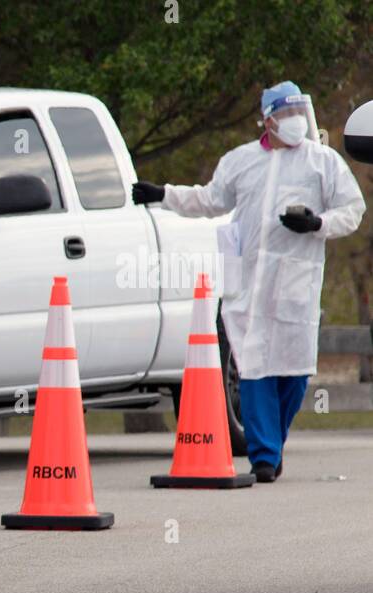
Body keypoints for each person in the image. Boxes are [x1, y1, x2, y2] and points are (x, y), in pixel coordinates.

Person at [132, 81, 366, 482]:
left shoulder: (321, 161)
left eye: (299, 113)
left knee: (293, 372)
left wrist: (317, 223)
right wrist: (163, 194)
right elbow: (210, 200)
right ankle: (263, 456)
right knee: (254, 367)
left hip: (296, 284)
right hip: (247, 287)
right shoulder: (240, 161)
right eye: (287, 114)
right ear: (269, 118)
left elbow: (353, 208)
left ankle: (273, 440)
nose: (295, 121)